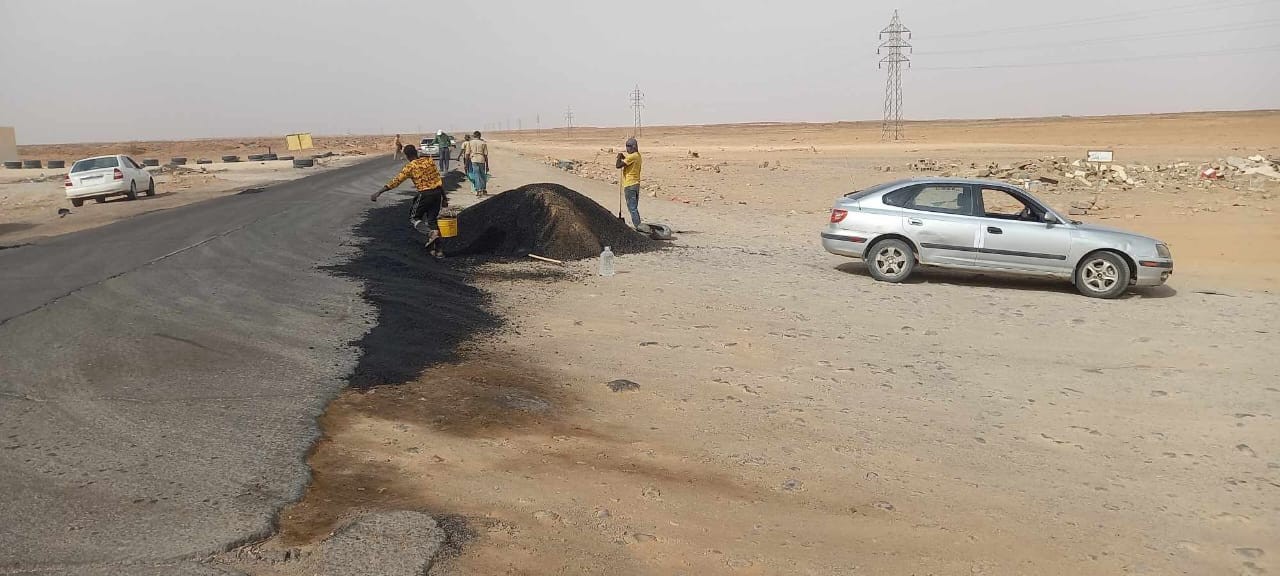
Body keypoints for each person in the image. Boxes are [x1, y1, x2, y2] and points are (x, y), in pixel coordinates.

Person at [370, 145, 446, 258]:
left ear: (406, 156)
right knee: (432, 220)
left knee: (414, 217)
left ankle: (429, 233)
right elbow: (438, 179)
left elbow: (396, 181)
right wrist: (444, 198)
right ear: (416, 152)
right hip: (437, 194)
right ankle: (439, 251)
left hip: (425, 194)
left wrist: (379, 192)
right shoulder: (428, 161)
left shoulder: (410, 167)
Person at [615, 137, 643, 227]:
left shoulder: (633, 156)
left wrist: (619, 157)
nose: (627, 148)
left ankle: (639, 226)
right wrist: (624, 157)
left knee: (632, 208)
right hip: (636, 184)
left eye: (629, 146)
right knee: (634, 207)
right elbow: (628, 161)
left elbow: (618, 165)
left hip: (630, 185)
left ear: (634, 146)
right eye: (626, 146)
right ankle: (639, 225)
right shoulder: (638, 156)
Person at [464, 131, 490, 197]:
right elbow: (486, 155)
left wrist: (466, 164)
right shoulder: (483, 143)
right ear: (480, 136)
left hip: (474, 160)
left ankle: (478, 190)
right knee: (483, 174)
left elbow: (467, 154)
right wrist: (487, 165)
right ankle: (483, 189)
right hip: (482, 159)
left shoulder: (470, 143)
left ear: (474, 136)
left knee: (476, 174)